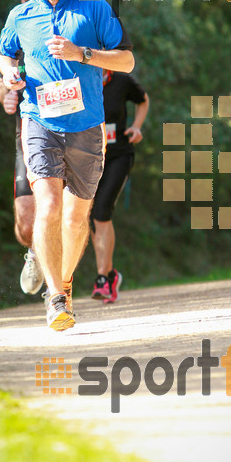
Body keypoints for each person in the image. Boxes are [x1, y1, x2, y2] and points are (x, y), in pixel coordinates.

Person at [0, 0, 134, 330]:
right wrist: (8, 72)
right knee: (49, 206)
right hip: (39, 121)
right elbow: (5, 52)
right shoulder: (20, 16)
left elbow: (126, 60)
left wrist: (82, 54)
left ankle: (66, 282)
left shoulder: (95, 9)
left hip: (87, 128)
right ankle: (56, 298)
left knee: (76, 219)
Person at [0, 0, 44, 295]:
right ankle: (35, 251)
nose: (28, 6)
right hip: (26, 137)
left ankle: (59, 289)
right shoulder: (14, 33)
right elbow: (1, 83)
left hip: (70, 136)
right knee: (27, 224)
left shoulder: (64, 29)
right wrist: (6, 94)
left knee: (63, 214)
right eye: (23, 0)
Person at [91, 70, 149, 303]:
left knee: (101, 211)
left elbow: (143, 100)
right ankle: (110, 275)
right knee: (98, 217)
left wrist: (137, 126)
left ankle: (102, 279)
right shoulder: (81, 79)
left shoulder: (122, 80)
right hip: (91, 158)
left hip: (119, 156)